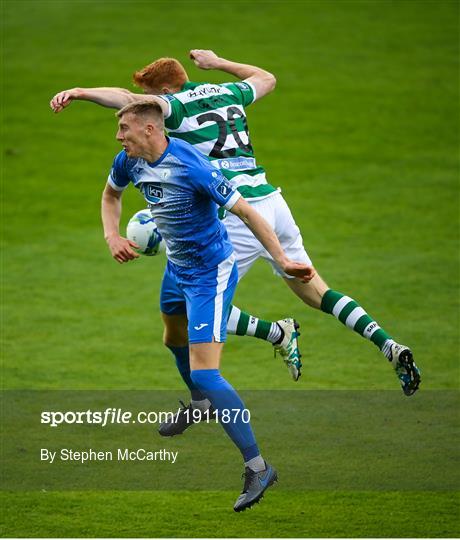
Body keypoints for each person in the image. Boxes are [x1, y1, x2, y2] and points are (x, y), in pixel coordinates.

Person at [50, 50, 421, 403]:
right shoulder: (227, 92)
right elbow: (267, 78)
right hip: (273, 203)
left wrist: (81, 92)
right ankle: (387, 344)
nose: (145, 106)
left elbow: (123, 99)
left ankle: (276, 333)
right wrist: (218, 62)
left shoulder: (173, 107)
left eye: (148, 99)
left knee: (197, 306)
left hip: (237, 213)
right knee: (317, 293)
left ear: (163, 92)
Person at [104, 100, 315, 511]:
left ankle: (258, 467)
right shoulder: (129, 161)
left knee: (207, 371)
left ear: (150, 130)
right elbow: (111, 195)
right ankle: (199, 405)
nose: (118, 136)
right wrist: (112, 235)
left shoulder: (193, 165)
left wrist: (285, 260)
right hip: (176, 266)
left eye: (125, 128)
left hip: (209, 273)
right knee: (172, 336)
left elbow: (248, 212)